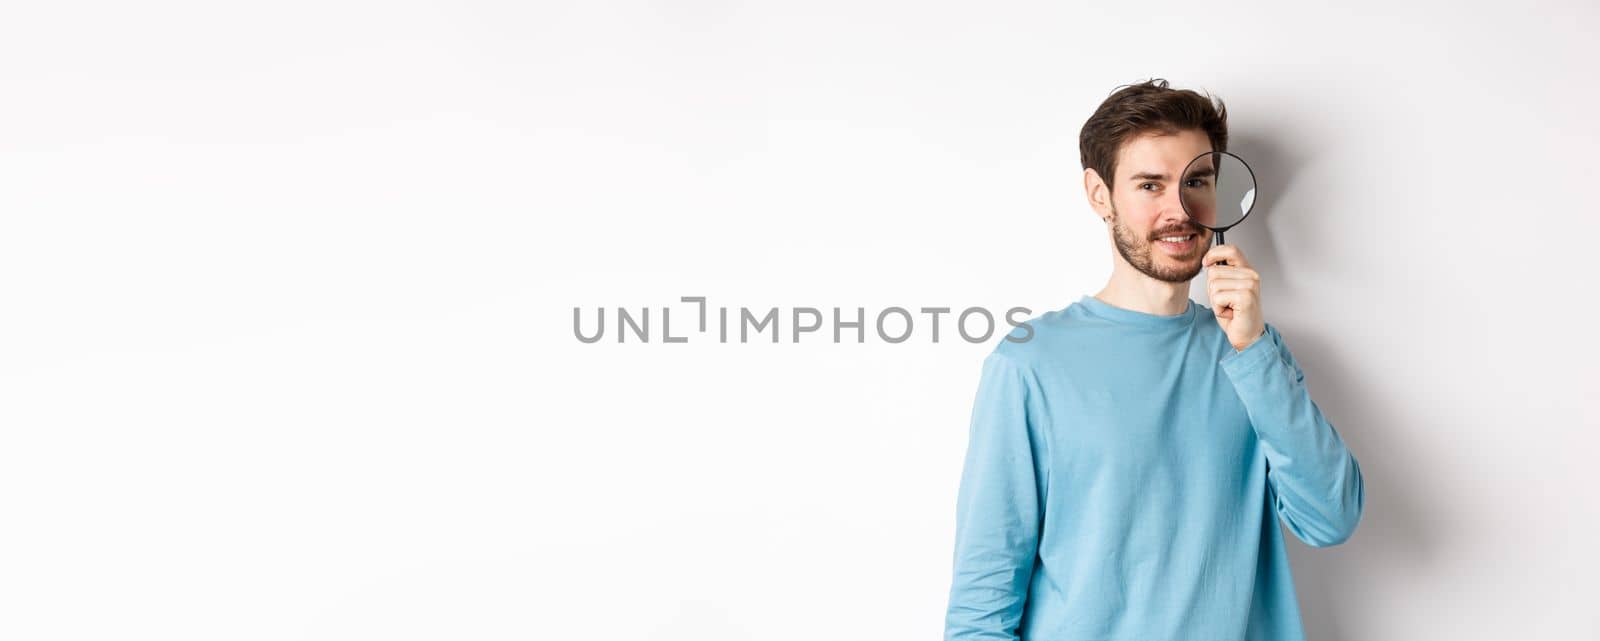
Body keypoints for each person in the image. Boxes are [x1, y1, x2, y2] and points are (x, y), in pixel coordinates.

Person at [942, 79, 1364, 641]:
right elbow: (982, 602)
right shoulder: (1031, 362)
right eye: (1150, 185)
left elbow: (1331, 519)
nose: (1179, 210)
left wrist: (1253, 348)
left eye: (1197, 182)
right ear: (1100, 195)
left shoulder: (1253, 351)